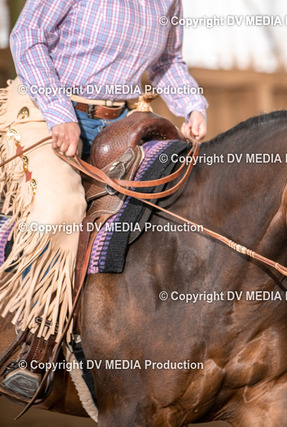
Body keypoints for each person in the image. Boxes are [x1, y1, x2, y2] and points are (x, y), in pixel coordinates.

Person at [0, 0, 208, 398]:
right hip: (45, 106)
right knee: (61, 211)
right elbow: (27, 35)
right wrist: (60, 112)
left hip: (121, 123)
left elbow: (167, 60)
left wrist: (191, 106)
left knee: (163, 211)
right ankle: (36, 345)